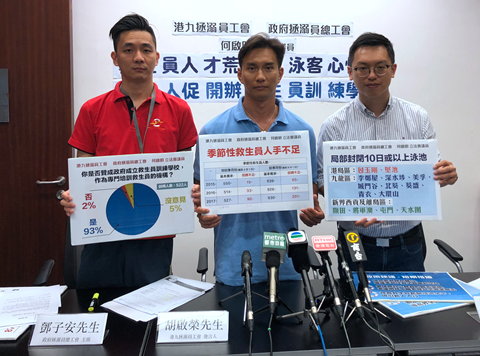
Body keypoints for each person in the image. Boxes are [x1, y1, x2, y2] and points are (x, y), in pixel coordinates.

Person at [60, 14, 198, 289]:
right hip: (103, 237)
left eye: (146, 50)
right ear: (115, 58)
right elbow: (83, 176)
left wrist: (193, 192)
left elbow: (184, 172)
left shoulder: (178, 110)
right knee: (98, 307)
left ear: (157, 57)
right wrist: (72, 197)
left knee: (150, 309)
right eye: (128, 50)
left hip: (155, 235)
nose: (138, 57)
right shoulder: (92, 110)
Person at [317, 32, 458, 272]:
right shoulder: (334, 125)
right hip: (355, 240)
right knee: (356, 297)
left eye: (380, 67)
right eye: (362, 68)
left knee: (409, 298)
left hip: (407, 243)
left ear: (393, 70)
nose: (372, 75)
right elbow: (322, 179)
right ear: (350, 72)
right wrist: (350, 206)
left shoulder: (417, 117)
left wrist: (446, 175)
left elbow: (431, 171)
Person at [192, 33, 324, 286]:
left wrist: (313, 213)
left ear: (280, 73)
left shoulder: (302, 132)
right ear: (240, 74)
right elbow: (201, 197)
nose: (260, 76)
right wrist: (203, 214)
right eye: (252, 68)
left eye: (268, 67)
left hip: (287, 264)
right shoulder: (212, 132)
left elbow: (311, 195)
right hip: (233, 264)